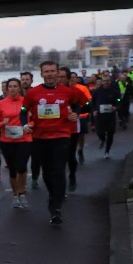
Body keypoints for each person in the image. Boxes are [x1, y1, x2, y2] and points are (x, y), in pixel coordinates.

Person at [20, 60, 88, 226]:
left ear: (58, 73)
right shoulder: (33, 93)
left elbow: (81, 104)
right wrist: (25, 125)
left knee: (59, 171)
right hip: (40, 137)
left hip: (62, 136)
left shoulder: (68, 91)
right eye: (46, 71)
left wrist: (75, 113)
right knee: (47, 172)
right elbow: (23, 111)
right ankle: (53, 195)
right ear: (42, 74)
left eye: (52, 71)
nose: (50, 74)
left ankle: (56, 207)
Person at [0, 78, 33, 208]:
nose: (13, 88)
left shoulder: (26, 102)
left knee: (22, 166)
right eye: (10, 86)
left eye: (15, 86)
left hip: (24, 139)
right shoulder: (1, 103)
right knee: (13, 170)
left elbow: (33, 118)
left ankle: (22, 193)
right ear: (7, 88)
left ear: (20, 88)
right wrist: (2, 123)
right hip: (7, 140)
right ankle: (15, 195)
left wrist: (30, 125)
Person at [91, 73, 120, 157]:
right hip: (100, 116)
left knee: (110, 133)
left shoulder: (115, 91)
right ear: (102, 82)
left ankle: (107, 151)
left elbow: (119, 100)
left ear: (110, 81)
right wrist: (94, 110)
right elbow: (92, 102)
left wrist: (116, 107)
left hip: (110, 116)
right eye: (104, 81)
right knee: (100, 132)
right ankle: (103, 139)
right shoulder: (97, 91)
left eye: (107, 81)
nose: (106, 82)